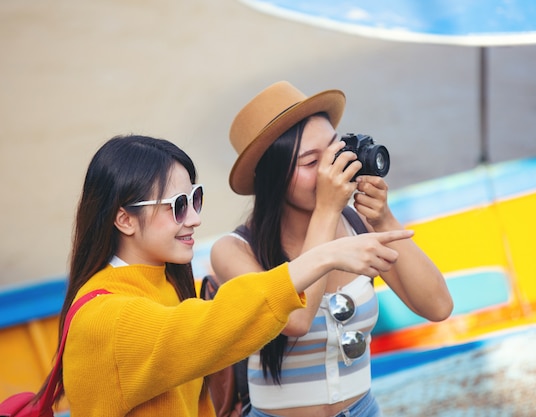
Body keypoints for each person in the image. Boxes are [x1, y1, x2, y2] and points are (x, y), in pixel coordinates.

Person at [41, 134, 415, 417]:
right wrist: (324, 255)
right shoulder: (107, 320)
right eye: (178, 206)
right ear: (124, 219)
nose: (194, 219)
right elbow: (209, 326)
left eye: (195, 199)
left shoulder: (163, 284)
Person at [211, 81, 454, 417]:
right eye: (312, 163)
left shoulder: (357, 226)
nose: (332, 171)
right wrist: (326, 210)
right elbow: (296, 319)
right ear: (273, 179)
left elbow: (438, 305)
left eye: (335, 151)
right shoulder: (234, 250)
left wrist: (383, 219)